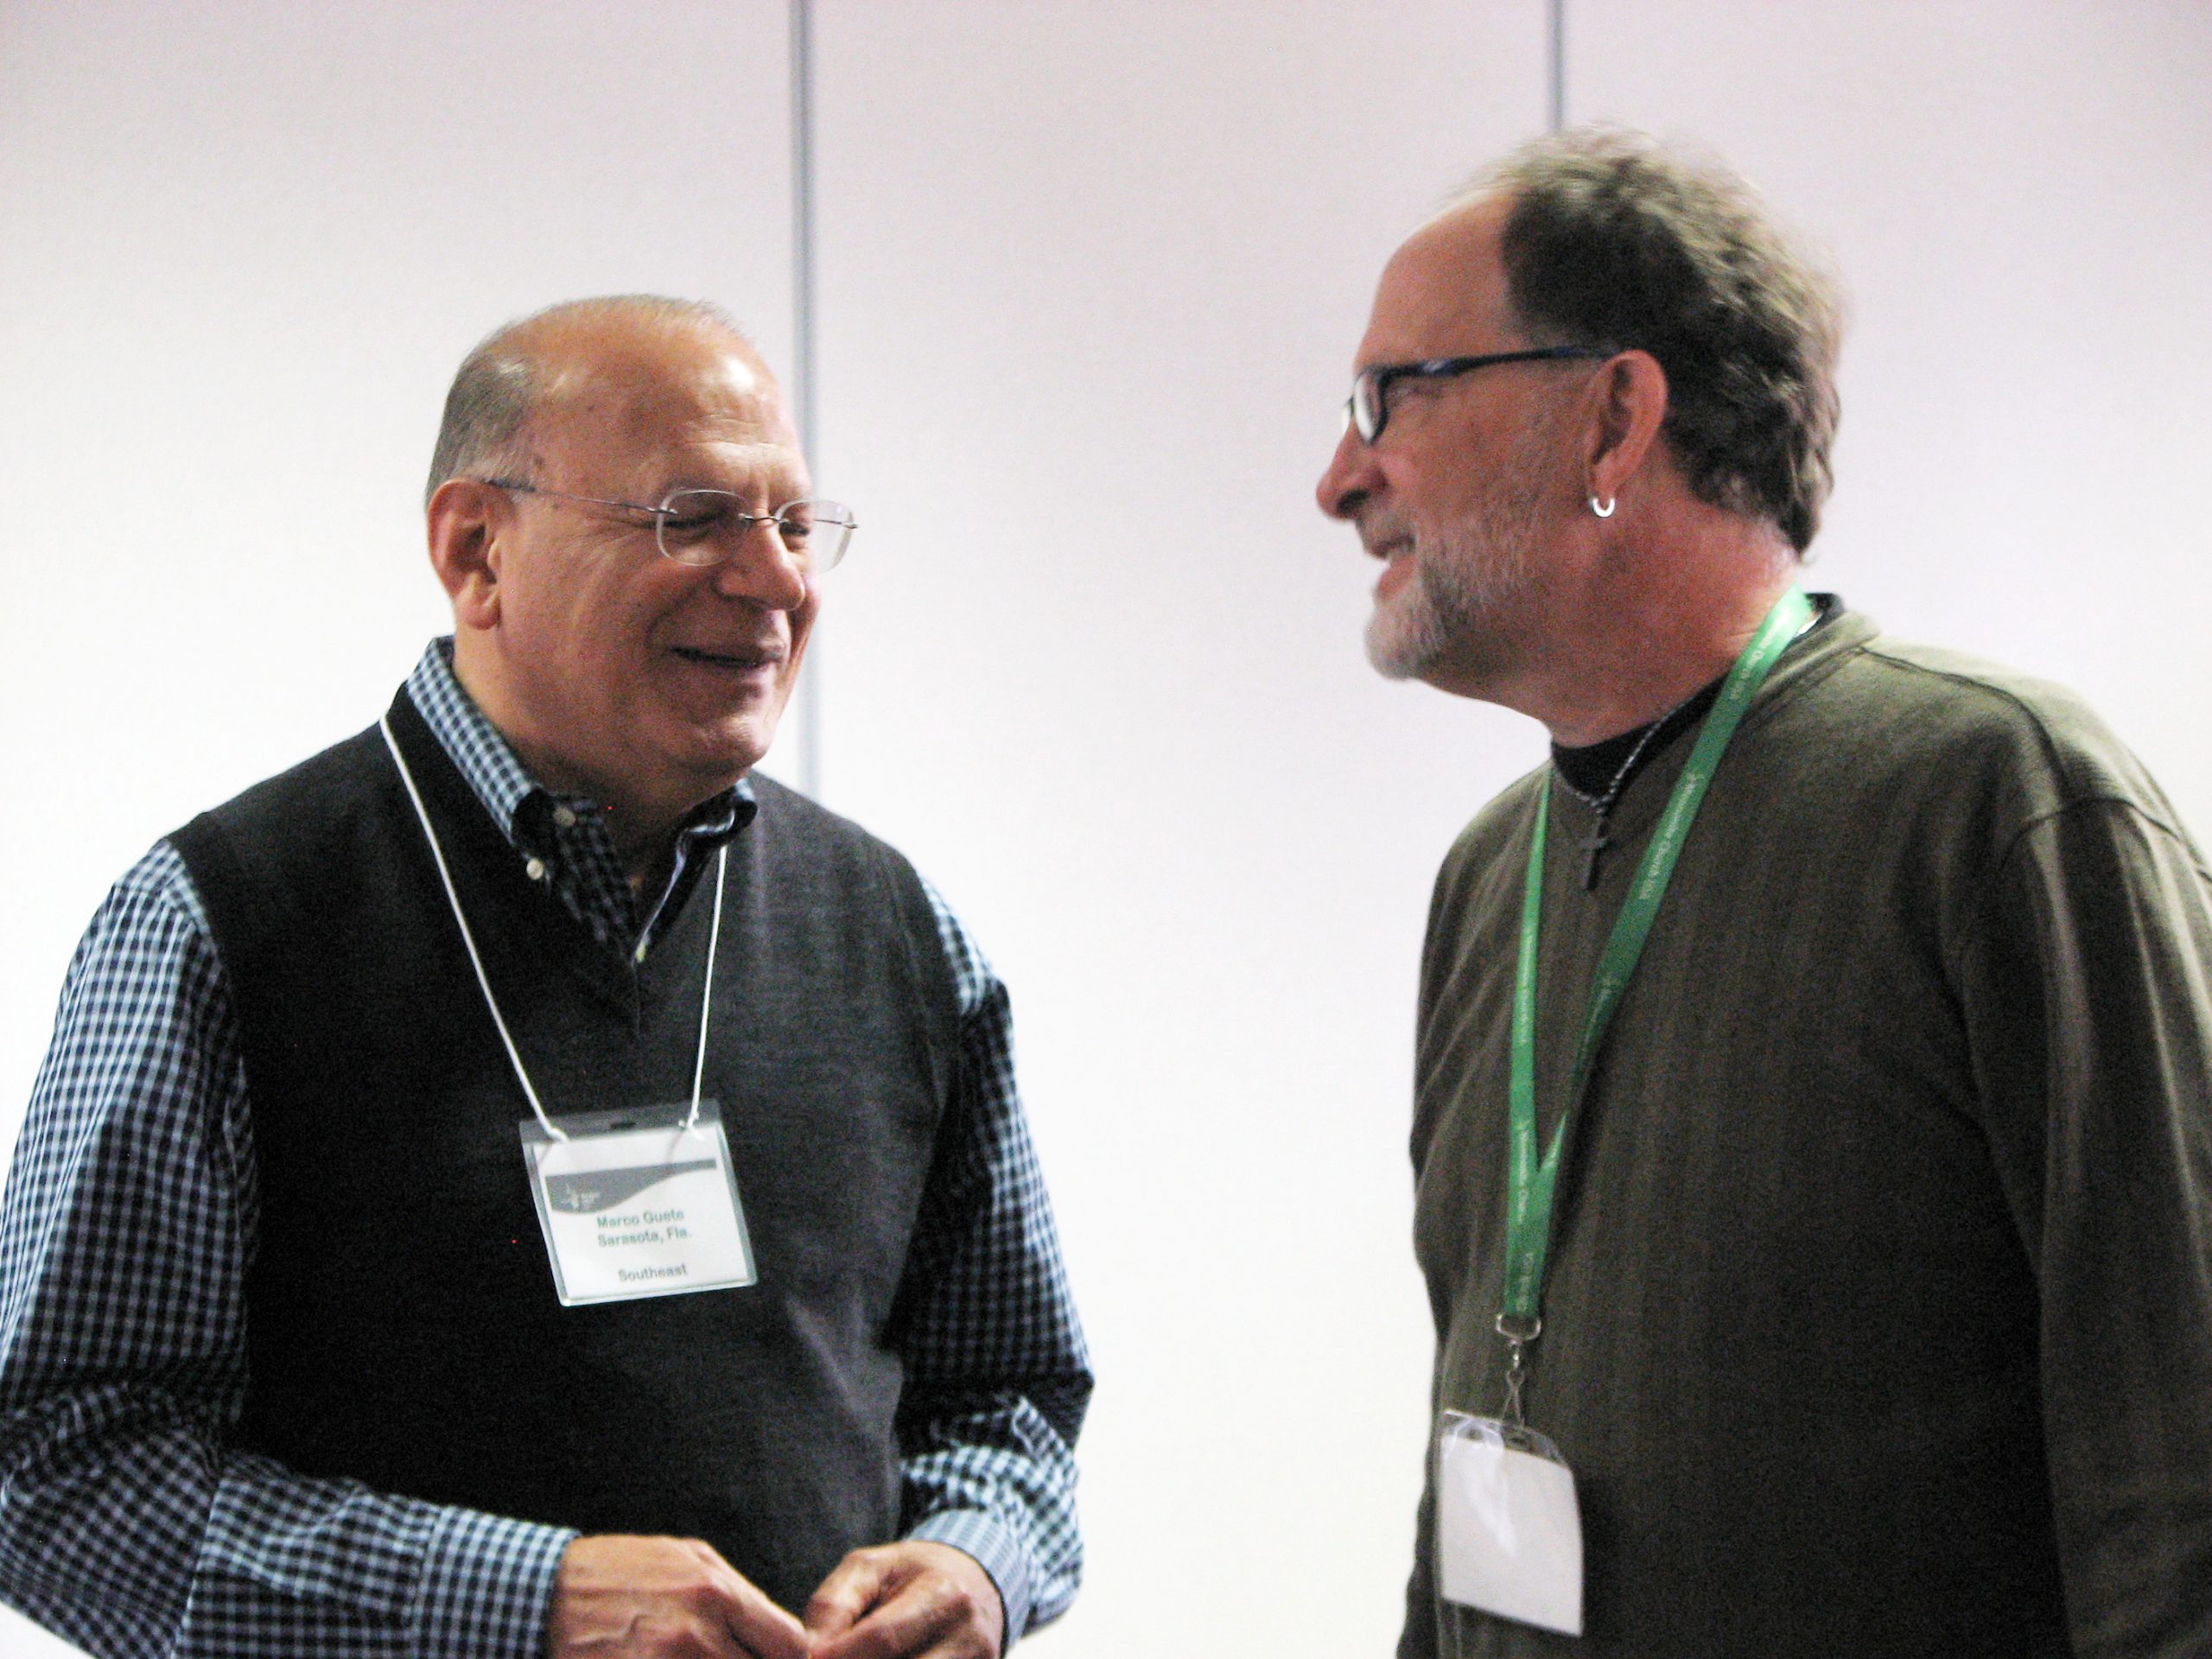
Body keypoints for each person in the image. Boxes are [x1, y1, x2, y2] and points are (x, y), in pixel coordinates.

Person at [0, 296, 1090, 1659]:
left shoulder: (897, 930)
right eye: (694, 517)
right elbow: (55, 1474)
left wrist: (973, 1561)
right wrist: (528, 1603)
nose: (777, 584)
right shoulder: (224, 922)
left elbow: (1011, 1399)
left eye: (797, 527)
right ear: (477, 551)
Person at [1315, 127, 2212, 1658]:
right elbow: (1479, 1430)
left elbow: (2178, 1480)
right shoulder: (1489, 879)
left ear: (1613, 420)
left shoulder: (2000, 803)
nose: (1342, 480)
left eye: (1396, 395)